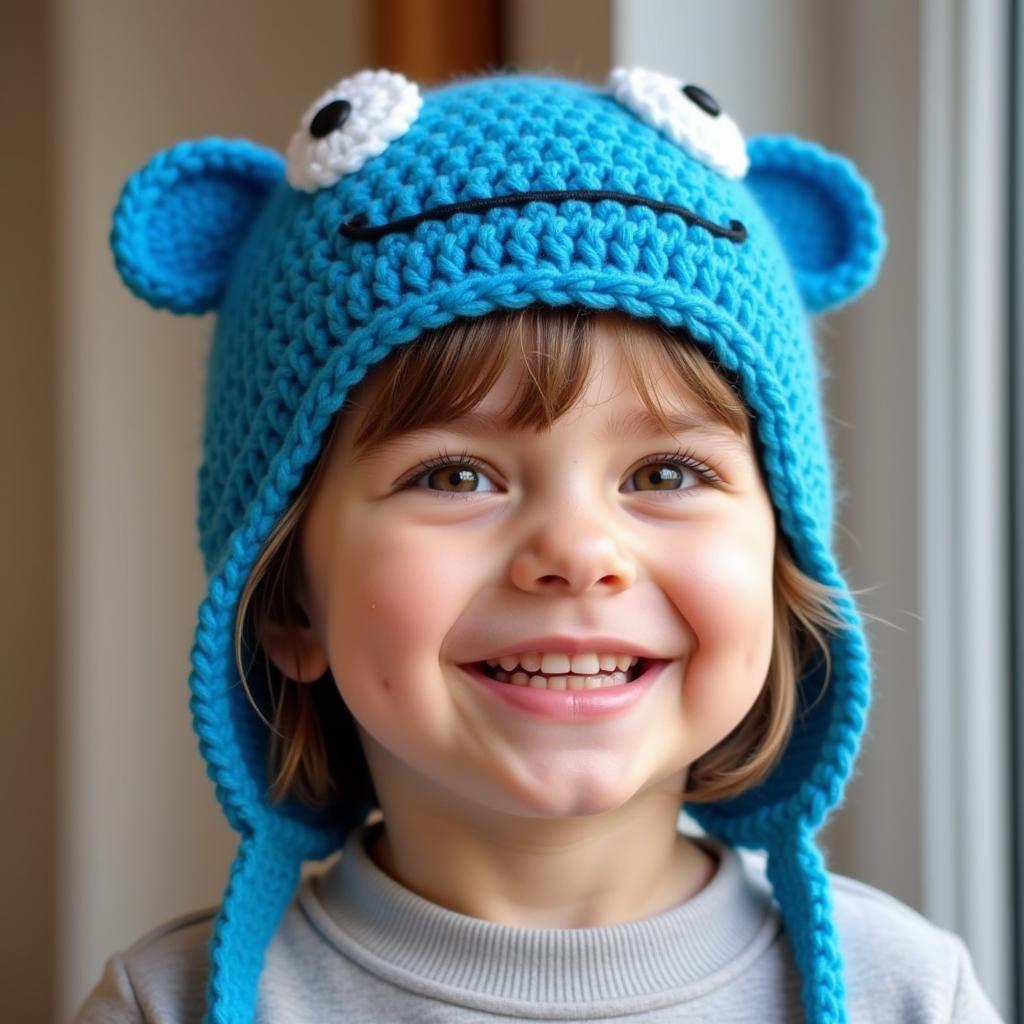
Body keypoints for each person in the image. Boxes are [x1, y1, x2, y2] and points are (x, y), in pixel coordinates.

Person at [78, 66, 1000, 1023]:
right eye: (455, 476)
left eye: (666, 475)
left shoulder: (908, 994)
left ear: (781, 566)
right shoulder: (166, 1005)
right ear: (287, 602)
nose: (577, 551)